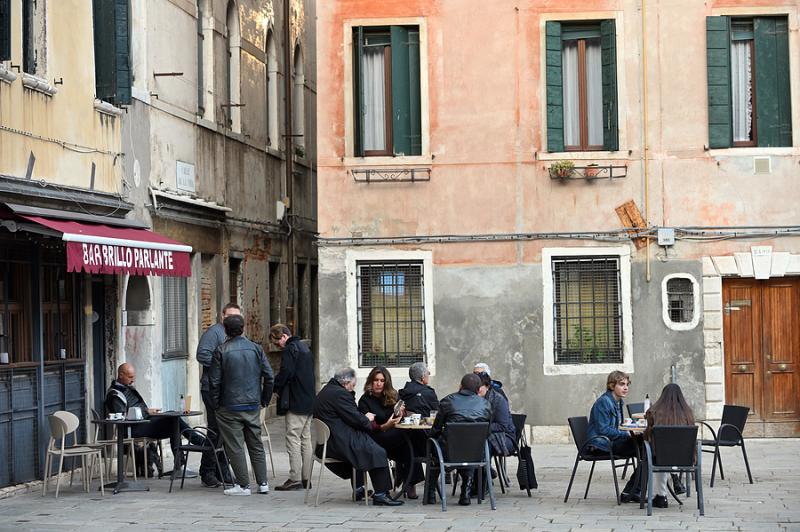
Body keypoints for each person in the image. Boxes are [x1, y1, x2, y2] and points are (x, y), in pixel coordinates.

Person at [312, 367, 404, 506]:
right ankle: (380, 494)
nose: (352, 389)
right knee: (378, 451)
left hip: (327, 442)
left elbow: (349, 415)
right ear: (345, 383)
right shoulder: (340, 394)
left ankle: (359, 489)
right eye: (353, 385)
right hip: (337, 442)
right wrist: (367, 418)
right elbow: (356, 419)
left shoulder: (327, 391)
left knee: (368, 448)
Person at [208, 314, 274, 496]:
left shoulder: (221, 350)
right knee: (256, 443)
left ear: (226, 330)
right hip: (252, 404)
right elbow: (269, 377)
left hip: (228, 406)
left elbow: (214, 381)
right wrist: (264, 400)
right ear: (243, 328)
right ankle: (263, 483)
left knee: (235, 445)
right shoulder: (256, 349)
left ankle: (244, 485)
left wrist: (215, 404)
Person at [105, 362, 204, 476]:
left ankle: (179, 465)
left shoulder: (127, 387)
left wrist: (148, 411)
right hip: (132, 429)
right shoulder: (114, 394)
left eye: (133, 377)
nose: (133, 380)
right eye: (130, 377)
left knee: (173, 419)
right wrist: (146, 411)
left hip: (144, 422)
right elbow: (122, 417)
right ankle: (198, 441)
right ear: (121, 375)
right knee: (172, 421)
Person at [357, 366, 425, 499]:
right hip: (376, 438)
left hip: (395, 436)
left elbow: (400, 417)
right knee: (409, 437)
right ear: (371, 381)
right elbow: (368, 426)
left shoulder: (393, 396)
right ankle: (407, 479)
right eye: (376, 380)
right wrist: (385, 426)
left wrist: (401, 413)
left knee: (408, 442)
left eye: (382, 381)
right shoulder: (365, 400)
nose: (378, 383)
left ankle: (409, 481)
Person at [428, 373, 492, 506]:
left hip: (448, 453)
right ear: (478, 389)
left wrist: (431, 437)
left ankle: (430, 493)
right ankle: (466, 492)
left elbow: (436, 429)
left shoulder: (448, 401)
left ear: (460, 386)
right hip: (475, 454)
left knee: (434, 448)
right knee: (469, 447)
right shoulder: (486, 405)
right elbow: (488, 432)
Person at [195, 302, 240, 488]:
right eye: (230, 316)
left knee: (224, 431)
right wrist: (221, 366)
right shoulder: (214, 333)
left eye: (236, 316)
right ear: (222, 317)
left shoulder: (236, 334)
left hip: (227, 391)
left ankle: (221, 471)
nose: (233, 319)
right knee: (215, 431)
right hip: (211, 389)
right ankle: (207, 471)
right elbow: (202, 355)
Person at [270, 323, 315, 491]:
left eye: (277, 342)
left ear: (283, 337)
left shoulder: (290, 349)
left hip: (296, 400)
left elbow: (286, 373)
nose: (278, 346)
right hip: (309, 400)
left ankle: (295, 477)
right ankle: (306, 478)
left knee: (293, 438)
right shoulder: (304, 348)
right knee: (305, 439)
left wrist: (274, 386)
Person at [585, 370, 640, 502]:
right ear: (611, 386)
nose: (625, 388)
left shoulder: (618, 402)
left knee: (647, 449)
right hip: (602, 444)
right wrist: (627, 433)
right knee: (646, 449)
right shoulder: (604, 402)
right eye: (621, 384)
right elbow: (604, 430)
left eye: (627, 384)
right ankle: (633, 491)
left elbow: (617, 425)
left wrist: (632, 427)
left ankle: (633, 491)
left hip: (613, 441)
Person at [643, 383, 695, 509]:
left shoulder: (653, 412)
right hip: (685, 458)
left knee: (657, 453)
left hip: (662, 457)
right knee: (667, 452)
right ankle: (675, 477)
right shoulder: (688, 413)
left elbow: (648, 435)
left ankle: (661, 496)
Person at [476, 371, 515, 457]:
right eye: (475, 387)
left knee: (482, 444)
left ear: (487, 386)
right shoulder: (473, 399)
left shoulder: (498, 400)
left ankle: (485, 470)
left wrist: (481, 427)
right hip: (480, 434)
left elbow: (502, 425)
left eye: (480, 386)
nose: (477, 389)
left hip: (503, 436)